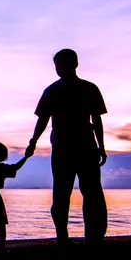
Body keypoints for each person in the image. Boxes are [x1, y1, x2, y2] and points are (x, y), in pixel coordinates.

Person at [25, 48, 108, 249]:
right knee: (62, 195)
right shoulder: (52, 91)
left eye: (62, 64)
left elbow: (96, 120)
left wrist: (101, 147)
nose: (59, 68)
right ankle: (63, 237)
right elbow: (43, 119)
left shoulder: (89, 88)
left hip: (85, 147)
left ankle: (93, 238)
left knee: (91, 194)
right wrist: (33, 141)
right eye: (57, 64)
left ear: (74, 64)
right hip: (64, 149)